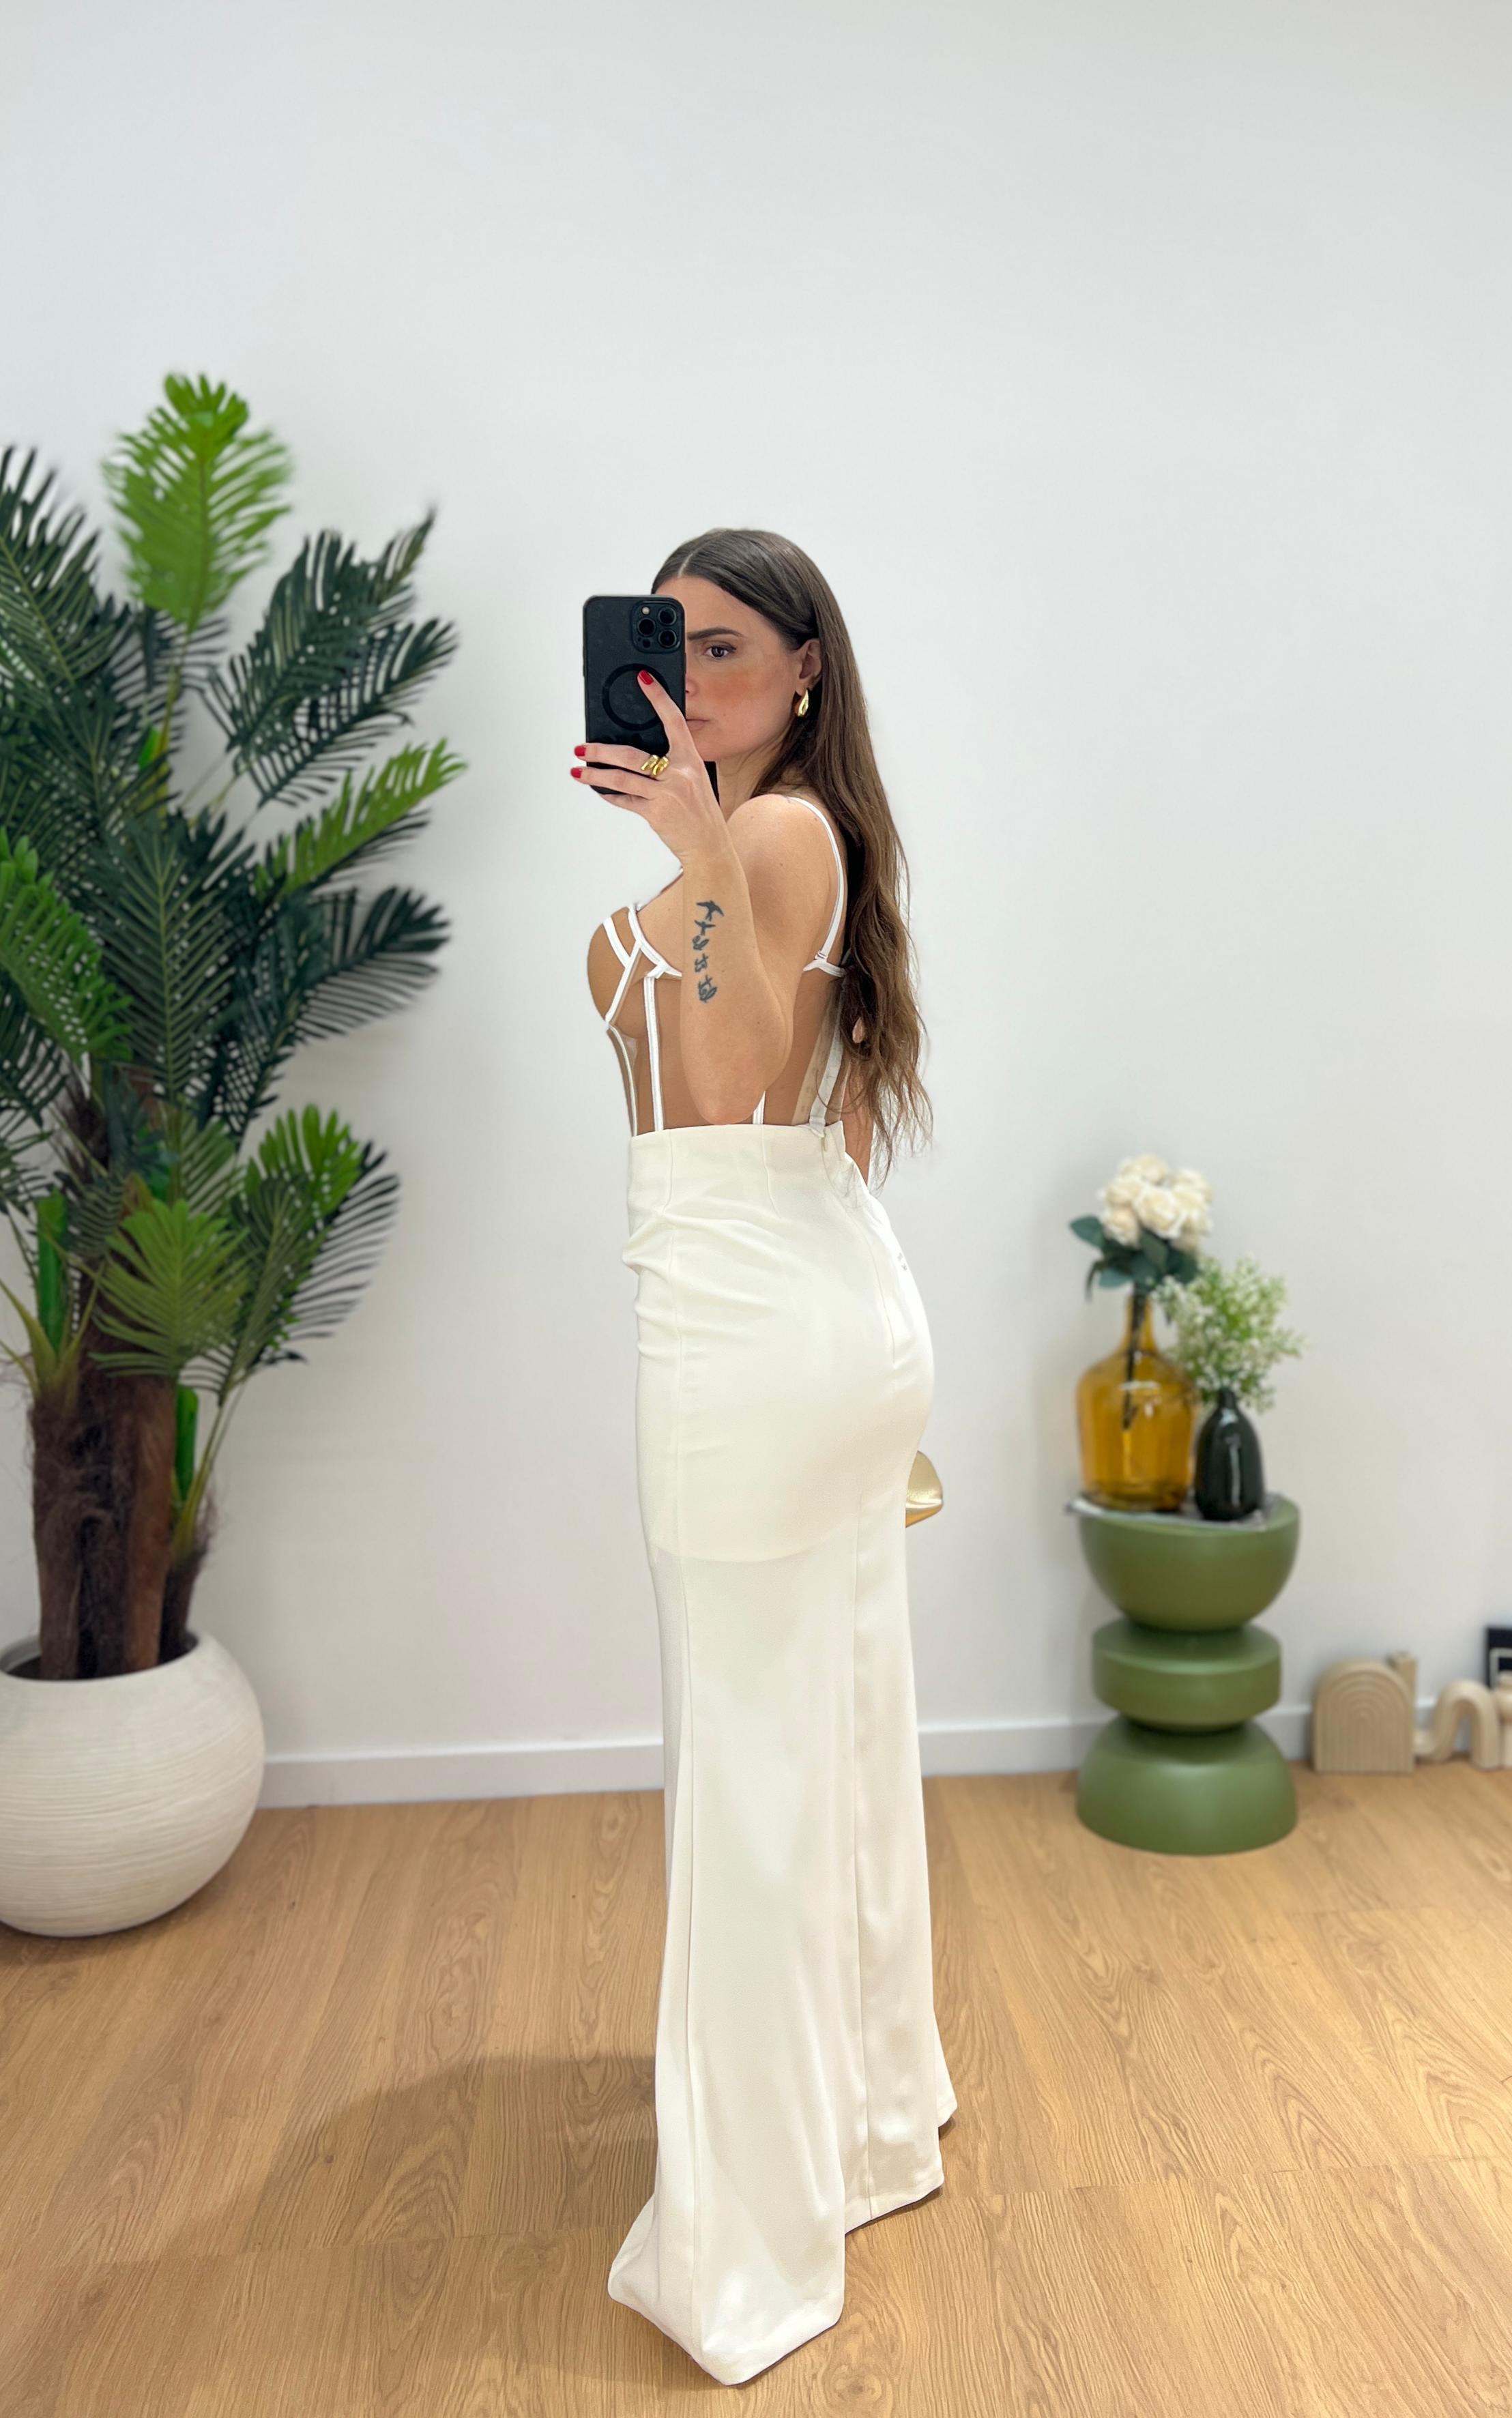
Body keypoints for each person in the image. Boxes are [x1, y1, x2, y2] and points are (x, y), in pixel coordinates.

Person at [581, 527, 955, 2385]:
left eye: (725, 650)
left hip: (752, 1354)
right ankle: (869, 2123)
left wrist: (696, 848)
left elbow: (728, 1085)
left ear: (807, 670)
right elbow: (807, 1121)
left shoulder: (781, 835)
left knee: (747, 1774)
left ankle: (753, 2244)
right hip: (796, 1316)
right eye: (670, 647)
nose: (690, 683)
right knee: (833, 1733)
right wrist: (692, 849)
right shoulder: (781, 838)